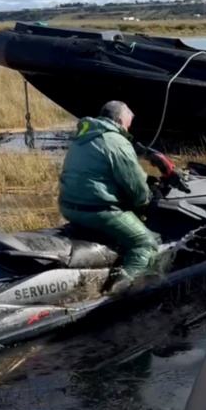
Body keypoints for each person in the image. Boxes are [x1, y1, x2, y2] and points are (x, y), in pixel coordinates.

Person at [59, 101, 159, 293]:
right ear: (120, 120)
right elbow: (136, 187)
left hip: (69, 209)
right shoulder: (117, 141)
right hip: (97, 212)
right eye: (129, 123)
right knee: (144, 244)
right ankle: (121, 288)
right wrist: (146, 200)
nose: (129, 128)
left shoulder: (83, 137)